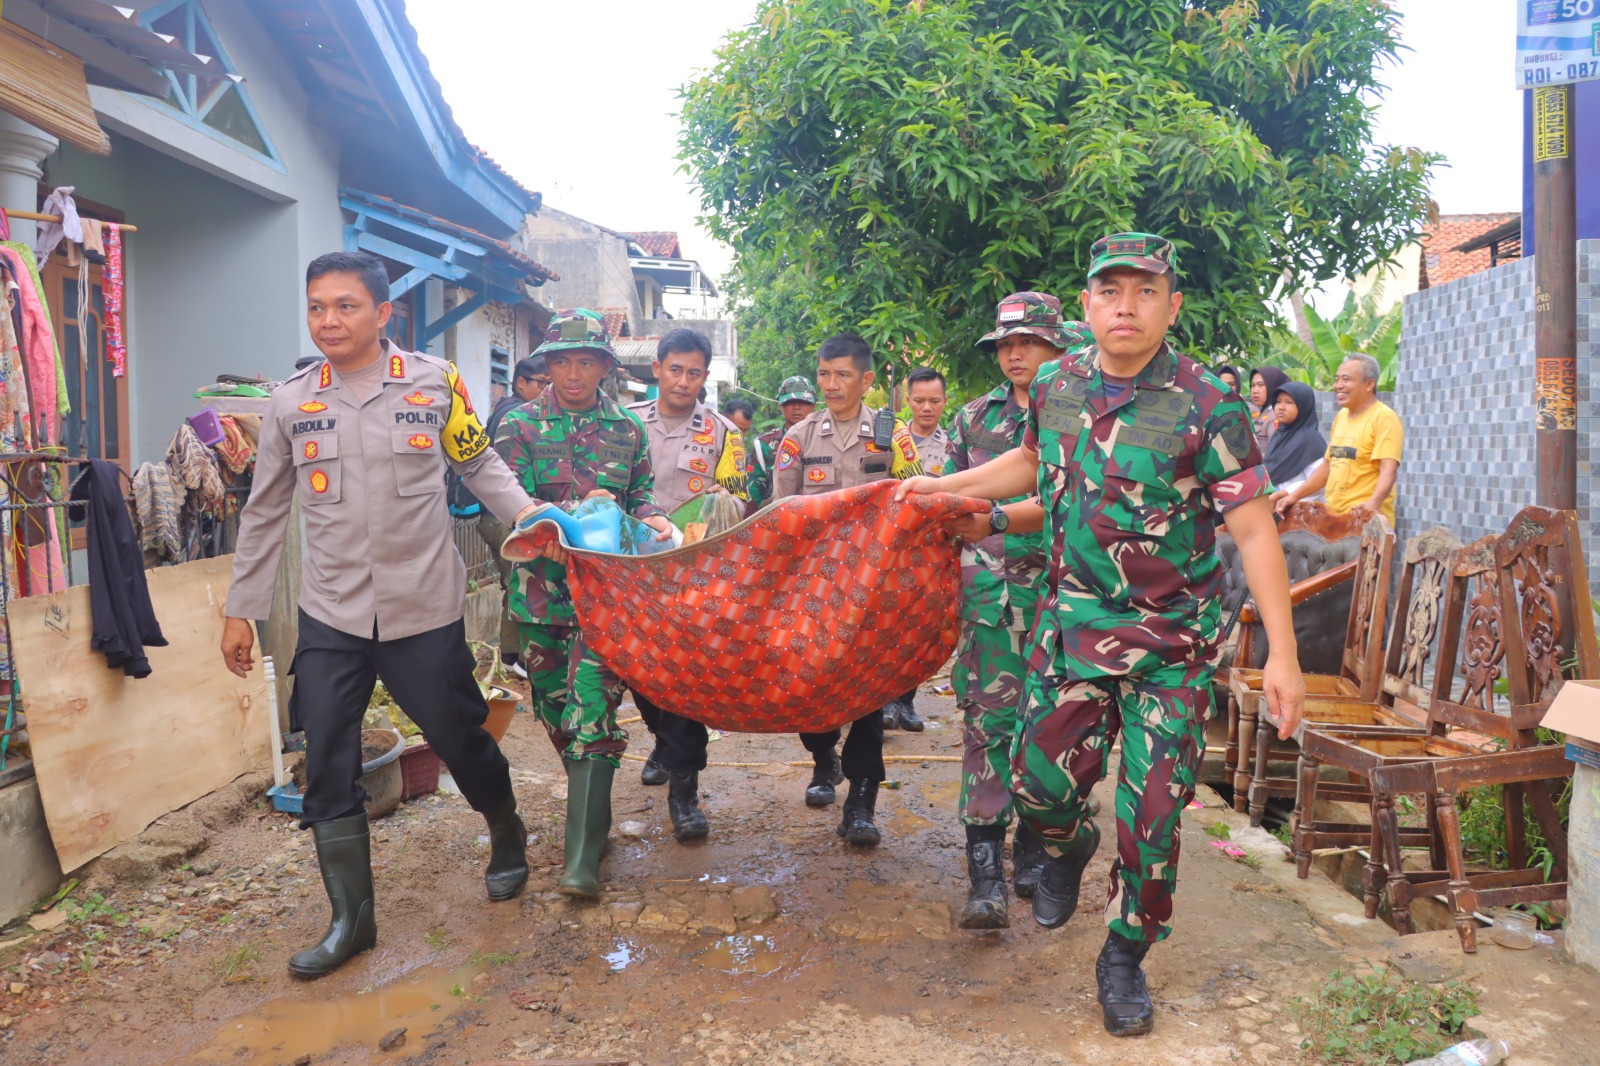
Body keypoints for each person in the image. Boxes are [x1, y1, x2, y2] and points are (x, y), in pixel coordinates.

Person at [897, 232, 1304, 1037]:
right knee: (1036, 791)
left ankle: (1124, 952)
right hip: (1071, 634)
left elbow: (1255, 532)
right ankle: (1068, 843)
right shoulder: (1059, 382)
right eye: (1110, 290)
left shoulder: (1205, 401)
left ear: (1171, 305)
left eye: (1146, 291)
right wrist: (941, 488)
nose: (1127, 305)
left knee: (1153, 819)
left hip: (1171, 649)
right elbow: (1028, 465)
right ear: (1086, 303)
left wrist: (1284, 657)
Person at [221, 251, 542, 978]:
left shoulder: (435, 383)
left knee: (459, 736)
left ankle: (505, 827)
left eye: (345, 306)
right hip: (330, 612)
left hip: (421, 606)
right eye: (316, 308)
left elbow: (480, 465)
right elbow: (266, 509)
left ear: (382, 313)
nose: (328, 320)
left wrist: (531, 519)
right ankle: (352, 922)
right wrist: (243, 611)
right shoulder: (290, 402)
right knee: (327, 758)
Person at [496, 309, 675, 897]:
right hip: (539, 598)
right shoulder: (518, 426)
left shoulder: (627, 429)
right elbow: (509, 504)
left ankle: (580, 865)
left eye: (585, 362)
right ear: (548, 365)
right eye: (561, 362)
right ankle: (592, 822)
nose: (573, 374)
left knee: (592, 713)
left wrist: (649, 521)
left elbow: (643, 498)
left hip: (605, 602)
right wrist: (566, 518)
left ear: (604, 365)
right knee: (555, 717)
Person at [943, 293, 1088, 930]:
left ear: (1059, 347)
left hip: (1065, 605)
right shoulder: (972, 421)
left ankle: (1038, 847)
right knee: (987, 729)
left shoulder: (1088, 416)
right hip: (990, 605)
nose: (1014, 353)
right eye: (1004, 344)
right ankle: (984, 878)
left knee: (1053, 737)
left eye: (1028, 341)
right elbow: (944, 513)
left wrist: (997, 518)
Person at [771, 333, 922, 846]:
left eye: (842, 375)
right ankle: (822, 759)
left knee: (867, 697)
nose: (831, 385)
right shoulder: (798, 438)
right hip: (813, 591)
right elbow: (779, 516)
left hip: (873, 591)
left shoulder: (891, 434)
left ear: (867, 380)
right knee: (811, 691)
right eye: (824, 374)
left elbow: (915, 499)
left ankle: (862, 801)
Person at [624, 329, 749, 839]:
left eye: (694, 372)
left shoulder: (724, 434)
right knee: (637, 672)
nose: (683, 381)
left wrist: (722, 500)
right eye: (675, 369)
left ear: (705, 376)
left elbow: (739, 501)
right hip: (630, 571)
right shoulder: (625, 424)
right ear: (656, 368)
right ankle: (661, 741)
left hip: (693, 576)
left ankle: (685, 790)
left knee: (684, 679)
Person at [478, 354, 551, 680]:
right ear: (520, 383)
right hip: (503, 516)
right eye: (541, 382)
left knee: (513, 585)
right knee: (523, 584)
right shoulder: (516, 416)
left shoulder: (505, 409)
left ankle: (511, 655)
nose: (546, 388)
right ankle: (518, 656)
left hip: (493, 516)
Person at [1272, 353, 1401, 523]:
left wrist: (1374, 503)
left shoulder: (1384, 418)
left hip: (1366, 520)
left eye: (1346, 379)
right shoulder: (1341, 416)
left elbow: (1389, 469)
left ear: (1369, 384)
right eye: (1337, 379)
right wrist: (1294, 496)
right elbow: (1327, 467)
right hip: (1334, 520)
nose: (1338, 385)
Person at [744, 375, 816, 510]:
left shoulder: (827, 440)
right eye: (790, 402)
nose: (797, 407)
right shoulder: (763, 445)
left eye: (803, 401)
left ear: (813, 406)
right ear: (781, 406)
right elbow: (753, 494)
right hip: (777, 520)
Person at [1261, 381, 1326, 497]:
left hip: (1298, 508)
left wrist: (1284, 494)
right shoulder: (1278, 435)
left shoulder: (1311, 440)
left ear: (1303, 406)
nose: (1281, 407)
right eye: (1278, 401)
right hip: (1271, 505)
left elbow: (1318, 482)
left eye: (1289, 402)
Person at [1247, 366, 1287, 450]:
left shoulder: (1276, 415)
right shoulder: (1262, 412)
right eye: (1252, 385)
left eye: (1261, 385)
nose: (1255, 390)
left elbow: (1275, 453)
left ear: (1272, 386)